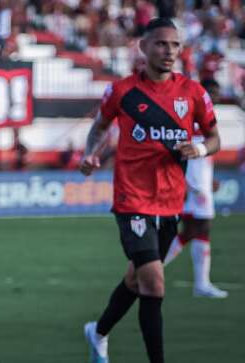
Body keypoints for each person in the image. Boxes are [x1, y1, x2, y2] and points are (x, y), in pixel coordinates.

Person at [79, 18, 220, 363]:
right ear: (143, 47)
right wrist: (89, 153)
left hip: (171, 202)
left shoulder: (193, 92)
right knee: (154, 282)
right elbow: (99, 127)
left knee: (135, 277)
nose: (169, 51)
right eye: (161, 44)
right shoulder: (122, 91)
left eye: (175, 45)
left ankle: (97, 333)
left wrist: (200, 149)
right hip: (132, 200)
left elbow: (215, 138)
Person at [163, 78, 227, 298]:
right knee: (195, 228)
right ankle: (152, 268)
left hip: (201, 184)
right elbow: (182, 151)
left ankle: (201, 283)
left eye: (217, 92)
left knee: (200, 230)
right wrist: (186, 184)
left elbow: (203, 153)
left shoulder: (208, 120)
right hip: (192, 185)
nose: (215, 96)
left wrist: (209, 180)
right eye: (212, 92)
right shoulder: (188, 118)